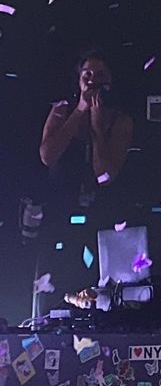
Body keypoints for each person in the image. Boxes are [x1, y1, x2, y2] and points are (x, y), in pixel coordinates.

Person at [39, 49, 133, 306]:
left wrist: (97, 129)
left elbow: (104, 175)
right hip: (59, 209)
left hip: (101, 214)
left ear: (110, 80)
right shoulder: (62, 110)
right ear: (79, 80)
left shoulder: (120, 120)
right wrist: (79, 111)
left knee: (96, 292)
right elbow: (47, 155)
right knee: (53, 284)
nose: (92, 79)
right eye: (87, 74)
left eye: (99, 74)